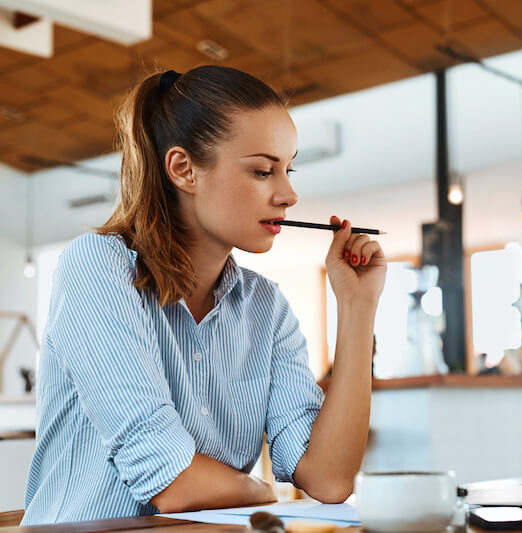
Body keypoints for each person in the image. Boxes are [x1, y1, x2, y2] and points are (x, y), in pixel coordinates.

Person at [21, 66, 386, 525]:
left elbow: (329, 480)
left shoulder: (267, 309)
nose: (289, 194)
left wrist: (357, 307)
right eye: (262, 171)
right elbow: (172, 481)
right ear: (184, 169)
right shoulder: (97, 267)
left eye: (287, 170)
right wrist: (259, 490)